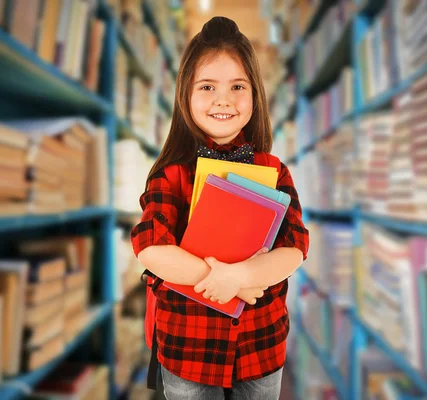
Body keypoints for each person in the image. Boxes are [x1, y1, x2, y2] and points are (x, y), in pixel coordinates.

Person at [130, 16, 309, 400]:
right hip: (188, 345)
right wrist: (226, 283)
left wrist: (239, 276)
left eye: (237, 86)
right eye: (207, 86)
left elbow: (295, 248)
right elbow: (151, 248)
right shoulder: (171, 174)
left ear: (255, 95)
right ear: (185, 96)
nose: (223, 99)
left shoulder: (274, 170)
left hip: (261, 343)